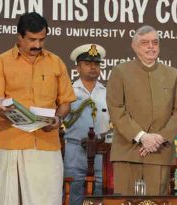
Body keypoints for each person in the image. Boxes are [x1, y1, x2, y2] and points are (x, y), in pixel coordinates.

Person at [0, 12, 76, 205]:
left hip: (47, 144)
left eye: (42, 39)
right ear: (19, 36)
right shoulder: (1, 62)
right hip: (13, 143)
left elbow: (66, 102)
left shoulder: (55, 62)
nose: (37, 45)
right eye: (32, 39)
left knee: (48, 200)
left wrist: (58, 119)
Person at [106, 25, 177, 195]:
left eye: (155, 42)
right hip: (128, 151)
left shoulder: (172, 75)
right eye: (145, 43)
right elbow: (116, 108)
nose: (151, 46)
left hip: (159, 152)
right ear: (134, 46)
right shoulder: (120, 72)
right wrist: (142, 137)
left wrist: (159, 138)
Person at [63, 44, 110, 205]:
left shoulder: (108, 92)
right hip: (74, 150)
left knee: (99, 192)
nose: (93, 67)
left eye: (96, 64)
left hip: (100, 151)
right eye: (87, 63)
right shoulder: (68, 91)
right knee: (73, 192)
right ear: (78, 67)